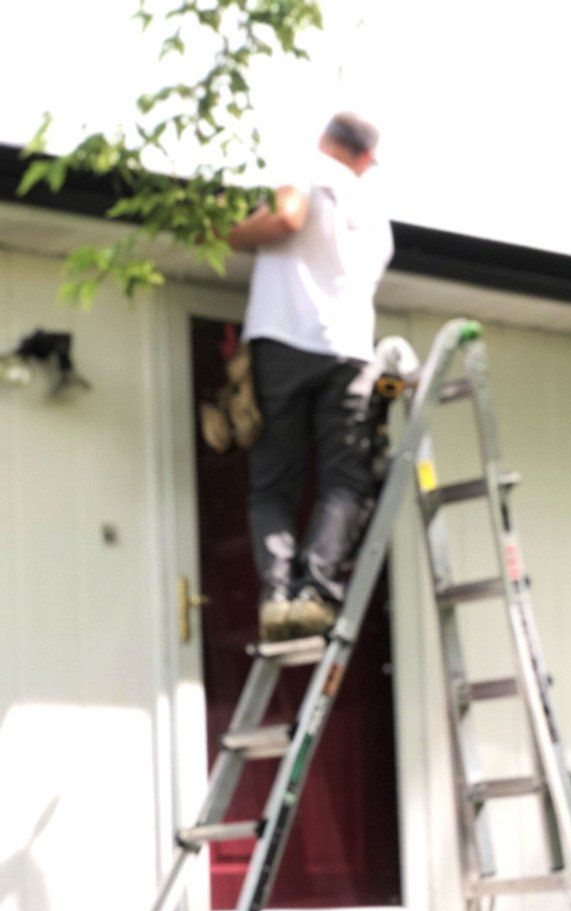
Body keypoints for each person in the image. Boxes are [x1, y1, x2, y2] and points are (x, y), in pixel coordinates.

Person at [226, 111, 394, 641]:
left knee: (275, 481)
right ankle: (316, 590)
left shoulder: (307, 168)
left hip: (284, 341)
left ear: (326, 141)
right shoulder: (374, 209)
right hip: (349, 352)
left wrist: (228, 233)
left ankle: (278, 596)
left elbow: (288, 218)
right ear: (366, 158)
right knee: (344, 477)